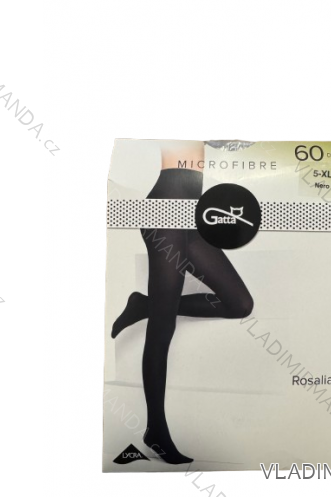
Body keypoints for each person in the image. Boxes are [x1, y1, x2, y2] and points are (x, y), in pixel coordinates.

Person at [112, 141, 254, 464]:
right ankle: (155, 431)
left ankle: (144, 305)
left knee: (240, 303)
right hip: (166, 209)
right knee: (163, 327)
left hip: (193, 214)